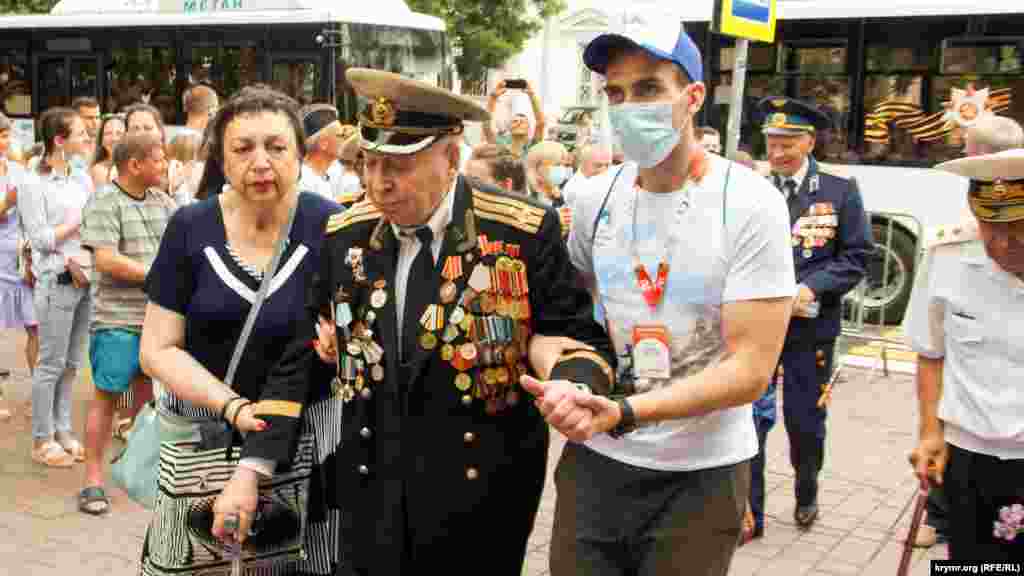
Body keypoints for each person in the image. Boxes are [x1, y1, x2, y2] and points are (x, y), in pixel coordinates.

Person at [213, 68, 617, 576]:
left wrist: (572, 386)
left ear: (450, 157)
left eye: (399, 165)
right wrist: (252, 468)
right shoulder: (346, 235)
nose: (379, 184)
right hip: (370, 498)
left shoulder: (521, 232)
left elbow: (575, 336)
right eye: (370, 163)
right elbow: (303, 354)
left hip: (478, 505)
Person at [522, 24, 797, 576]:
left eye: (648, 89)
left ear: (692, 97)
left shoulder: (751, 203)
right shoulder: (592, 198)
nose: (628, 108)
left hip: (701, 474)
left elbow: (751, 370)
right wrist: (568, 380)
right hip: (598, 465)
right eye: (616, 93)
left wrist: (627, 411)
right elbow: (568, 322)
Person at [138, 86, 342, 575]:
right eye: (243, 148)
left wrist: (342, 349)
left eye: (276, 146)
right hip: (204, 435)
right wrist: (231, 406)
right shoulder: (190, 227)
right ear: (222, 159)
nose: (261, 162)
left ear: (300, 153)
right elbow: (157, 349)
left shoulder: (332, 226)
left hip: (307, 434)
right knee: (199, 558)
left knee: (299, 561)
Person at [757, 95, 871, 530]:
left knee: (805, 420)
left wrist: (811, 287)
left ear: (809, 142)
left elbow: (857, 256)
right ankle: (751, 509)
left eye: (787, 144)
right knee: (751, 419)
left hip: (811, 329)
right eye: (771, 143)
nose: (777, 153)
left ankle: (807, 492)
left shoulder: (840, 191)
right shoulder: (754, 189)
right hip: (758, 326)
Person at [906, 148, 1024, 562]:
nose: (1003, 243)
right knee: (971, 563)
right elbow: (930, 353)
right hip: (968, 454)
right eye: (991, 228)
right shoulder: (948, 257)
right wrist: (929, 432)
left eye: (1018, 228)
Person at [78, 132, 173, 515]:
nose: (165, 165)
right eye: (159, 159)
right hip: (116, 319)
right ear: (135, 164)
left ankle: (136, 471)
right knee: (107, 398)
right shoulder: (104, 201)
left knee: (147, 399)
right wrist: (159, 276)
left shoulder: (163, 202)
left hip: (157, 319)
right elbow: (105, 260)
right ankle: (93, 480)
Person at [19, 106, 95, 468]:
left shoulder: (81, 178)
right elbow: (40, 239)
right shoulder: (32, 183)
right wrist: (77, 223)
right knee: (50, 364)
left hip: (85, 278)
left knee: (71, 364)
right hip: (55, 280)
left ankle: (62, 430)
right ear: (59, 140)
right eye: (80, 133)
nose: (87, 137)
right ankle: (42, 438)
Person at [0, 112, 38, 400]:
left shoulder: (17, 169)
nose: (5, 141)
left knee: (35, 325)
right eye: (1, 135)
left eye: (5, 135)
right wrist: (7, 203)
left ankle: (40, 390)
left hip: (21, 256)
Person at [483, 79, 546, 158]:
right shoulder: (500, 145)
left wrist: (531, 95)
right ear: (509, 127)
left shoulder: (532, 147)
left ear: (528, 128)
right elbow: (486, 126)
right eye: (515, 121)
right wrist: (493, 98)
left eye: (522, 122)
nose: (518, 123)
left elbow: (541, 123)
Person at [299, 103, 346, 201]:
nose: (344, 139)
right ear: (323, 144)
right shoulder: (305, 181)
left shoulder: (321, 176)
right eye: (340, 135)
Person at [89, 114, 126, 188]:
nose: (114, 138)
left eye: (119, 133)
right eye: (108, 133)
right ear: (101, 140)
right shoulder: (98, 170)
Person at [73, 97, 101, 162]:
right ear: (76, 118)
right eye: (90, 118)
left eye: (97, 117)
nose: (95, 122)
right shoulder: (66, 147)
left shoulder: (105, 144)